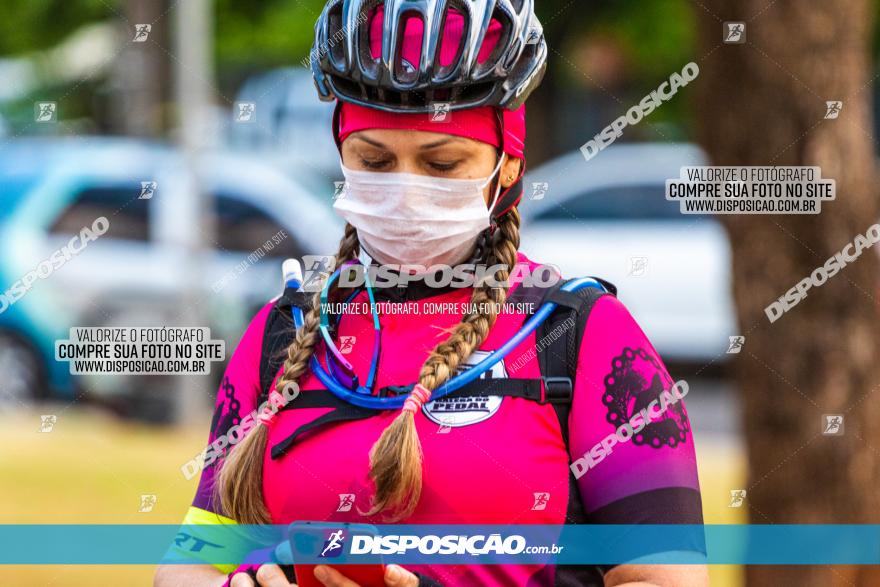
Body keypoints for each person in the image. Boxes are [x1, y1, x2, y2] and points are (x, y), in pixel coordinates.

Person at [155, 1, 707, 585]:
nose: (405, 191)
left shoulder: (582, 331)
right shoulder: (283, 333)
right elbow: (190, 565)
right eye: (374, 160)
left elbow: (663, 579)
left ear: (508, 169)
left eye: (442, 164)